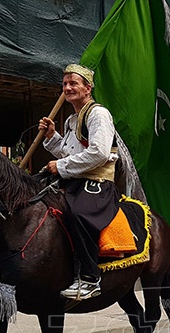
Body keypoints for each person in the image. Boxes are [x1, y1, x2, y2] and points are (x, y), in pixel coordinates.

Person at [38, 64, 120, 300]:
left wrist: (61, 167)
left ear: (88, 88)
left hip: (97, 184)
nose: (68, 88)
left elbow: (99, 153)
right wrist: (52, 136)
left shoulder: (98, 114)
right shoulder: (71, 120)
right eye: (65, 84)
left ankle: (90, 278)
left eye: (74, 83)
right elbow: (68, 153)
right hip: (73, 180)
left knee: (76, 215)